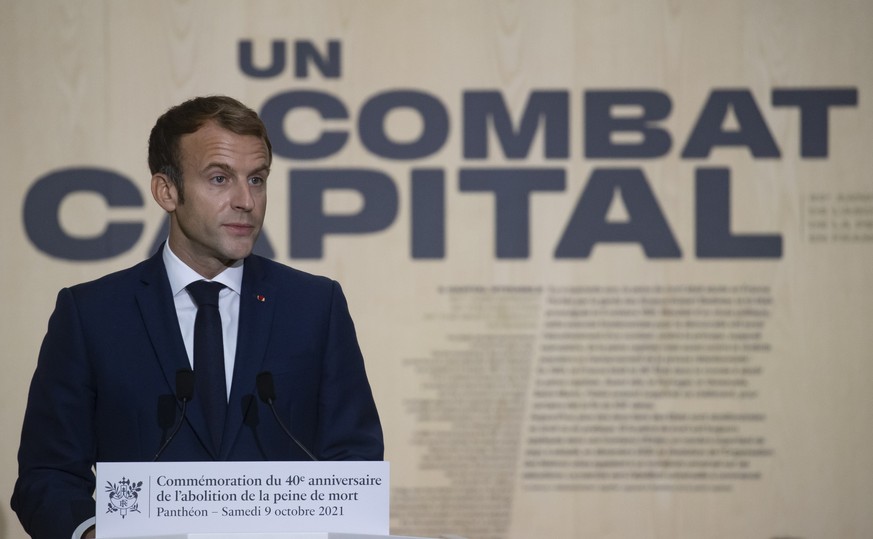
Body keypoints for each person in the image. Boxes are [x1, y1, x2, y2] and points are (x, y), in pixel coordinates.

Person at [11, 95, 384, 539]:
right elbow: (47, 475)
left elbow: (355, 460)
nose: (246, 200)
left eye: (258, 179)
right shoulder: (91, 314)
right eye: (220, 178)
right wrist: (92, 535)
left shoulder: (315, 306)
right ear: (166, 191)